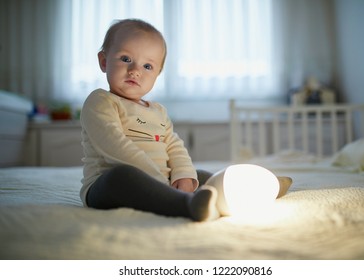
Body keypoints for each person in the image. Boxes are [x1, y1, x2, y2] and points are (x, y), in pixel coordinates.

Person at [80, 18, 292, 222]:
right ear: (104, 61)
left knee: (197, 175)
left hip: (161, 180)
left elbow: (173, 146)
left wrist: (183, 177)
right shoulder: (101, 101)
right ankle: (187, 205)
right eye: (126, 59)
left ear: (157, 74)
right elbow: (115, 146)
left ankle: (260, 187)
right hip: (105, 186)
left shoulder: (157, 111)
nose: (135, 71)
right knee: (122, 176)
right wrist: (160, 181)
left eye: (147, 66)